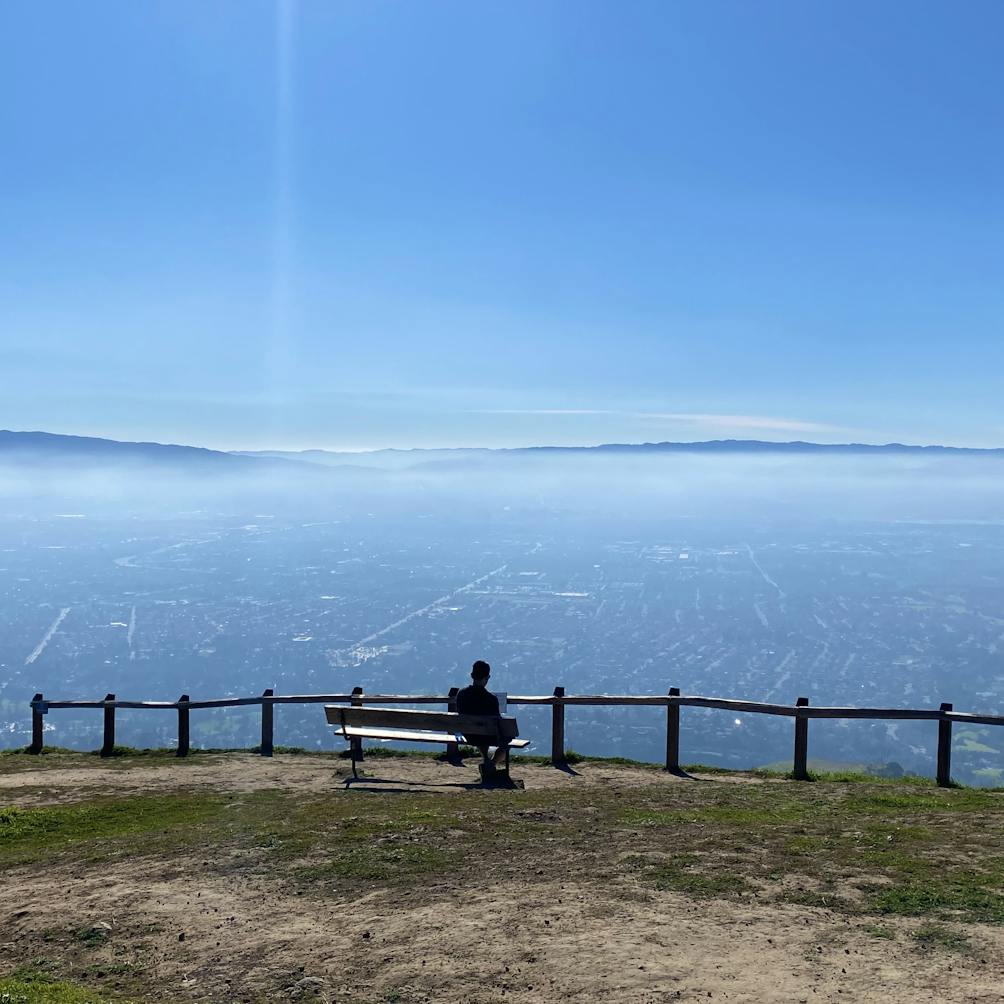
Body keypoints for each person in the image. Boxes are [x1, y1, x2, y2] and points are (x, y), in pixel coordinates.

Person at [455, 659, 509, 774]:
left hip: (468, 733)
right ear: (488, 677)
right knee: (506, 740)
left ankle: (487, 760)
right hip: (486, 735)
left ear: (471, 675)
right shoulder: (491, 699)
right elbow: (497, 722)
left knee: (481, 733)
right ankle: (491, 764)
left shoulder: (461, 694)